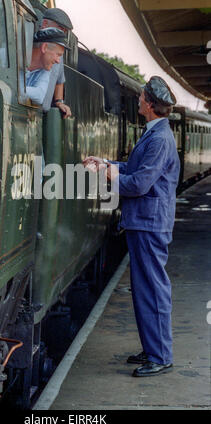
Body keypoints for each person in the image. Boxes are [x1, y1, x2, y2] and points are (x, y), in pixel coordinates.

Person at [83, 76, 181, 377]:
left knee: (152, 289)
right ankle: (152, 348)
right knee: (144, 289)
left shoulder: (160, 139)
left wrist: (110, 177)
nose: (137, 100)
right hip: (145, 222)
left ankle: (161, 355)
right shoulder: (154, 133)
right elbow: (133, 169)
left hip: (150, 224)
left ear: (149, 104)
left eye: (141, 97)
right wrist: (105, 163)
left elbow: (138, 183)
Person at [39, 8, 73, 118]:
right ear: (44, 24)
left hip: (43, 114)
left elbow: (59, 80)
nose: (62, 34)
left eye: (64, 32)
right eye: (60, 29)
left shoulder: (58, 54)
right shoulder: (32, 44)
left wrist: (59, 101)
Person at [26, 27, 70, 106]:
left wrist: (15, 88)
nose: (58, 61)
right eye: (58, 55)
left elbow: (39, 96)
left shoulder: (46, 70)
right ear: (44, 47)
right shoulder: (10, 58)